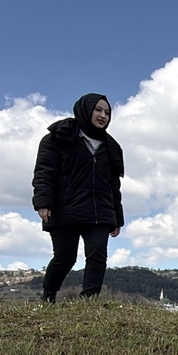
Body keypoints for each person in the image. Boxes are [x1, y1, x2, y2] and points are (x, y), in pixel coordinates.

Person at [32, 93, 125, 302]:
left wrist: (117, 218)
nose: (103, 115)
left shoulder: (112, 147)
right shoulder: (59, 136)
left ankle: (88, 302)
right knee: (65, 258)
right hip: (65, 208)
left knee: (97, 256)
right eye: (98, 110)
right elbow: (45, 172)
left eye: (107, 112)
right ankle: (48, 296)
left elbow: (114, 186)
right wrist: (43, 203)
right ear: (85, 109)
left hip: (99, 211)